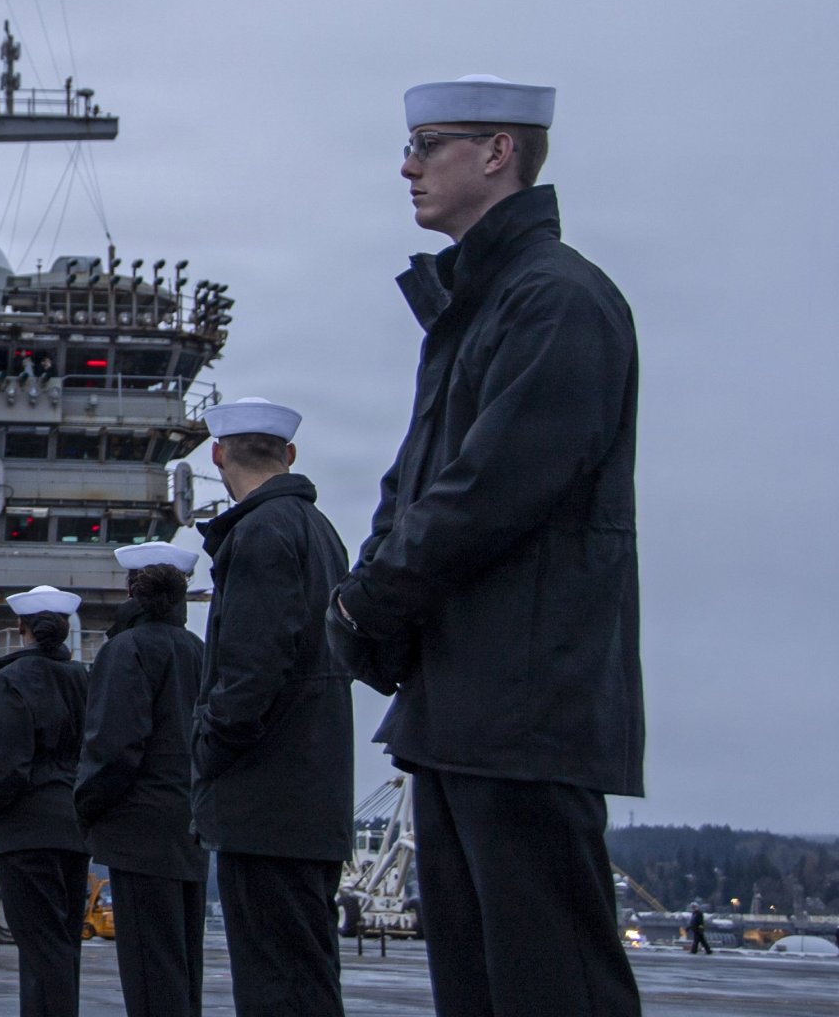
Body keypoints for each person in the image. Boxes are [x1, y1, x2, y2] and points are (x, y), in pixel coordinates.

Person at [329, 74, 643, 1017]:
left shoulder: (556, 301)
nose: (407, 165)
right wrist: (371, 598)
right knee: (480, 989)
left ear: (498, 152)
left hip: (524, 703)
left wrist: (365, 602)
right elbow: (415, 483)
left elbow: (488, 491)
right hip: (466, 702)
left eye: (430, 144)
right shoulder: (481, 306)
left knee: (551, 987)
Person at [193, 397, 353, 1016]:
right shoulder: (319, 530)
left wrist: (208, 749)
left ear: (217, 455)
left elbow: (251, 669)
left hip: (266, 798)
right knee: (307, 975)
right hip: (312, 790)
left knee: (273, 981)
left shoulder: (259, 532)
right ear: (288, 454)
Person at [77, 542, 207, 1017]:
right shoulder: (198, 650)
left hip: (138, 829)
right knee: (183, 966)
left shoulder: (125, 649)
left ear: (131, 588)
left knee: (151, 973)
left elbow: (113, 748)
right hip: (191, 824)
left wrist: (85, 808)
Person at [0, 586, 91, 1017]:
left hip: (26, 828)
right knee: (63, 942)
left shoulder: (10, 680)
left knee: (40, 947)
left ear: (21, 628)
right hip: (74, 826)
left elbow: (5, 766)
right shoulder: (83, 678)